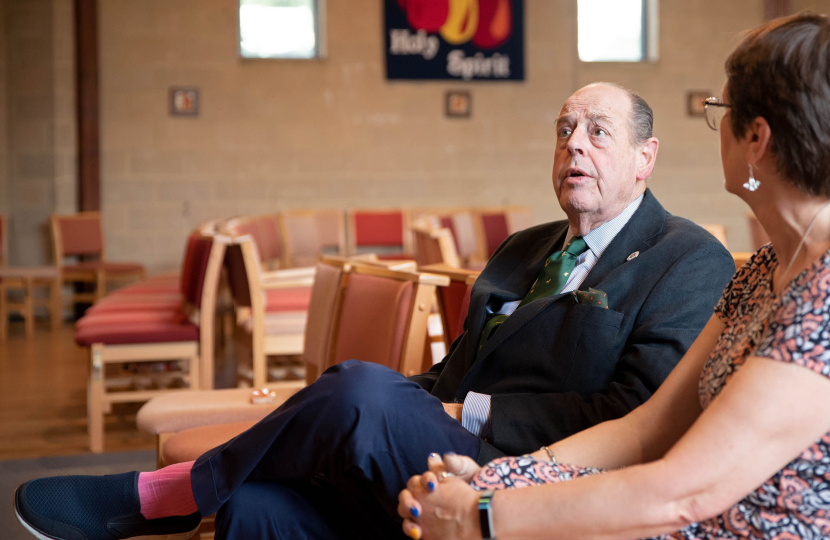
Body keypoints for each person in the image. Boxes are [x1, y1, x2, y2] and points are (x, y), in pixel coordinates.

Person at [13, 82, 735, 540]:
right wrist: (407, 403)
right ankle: (210, 491)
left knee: (359, 390)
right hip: (434, 449)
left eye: (598, 131)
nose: (573, 143)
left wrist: (461, 412)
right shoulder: (525, 246)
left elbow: (635, 412)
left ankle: (163, 497)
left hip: (536, 472)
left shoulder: (686, 257)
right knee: (253, 510)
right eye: (563, 128)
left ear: (645, 158)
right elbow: (453, 370)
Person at [398, 11, 830, 540]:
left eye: (721, 110)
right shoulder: (762, 270)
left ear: (757, 138)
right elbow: (645, 429)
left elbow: (684, 492)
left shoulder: (824, 290)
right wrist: (499, 480)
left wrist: (482, 515)